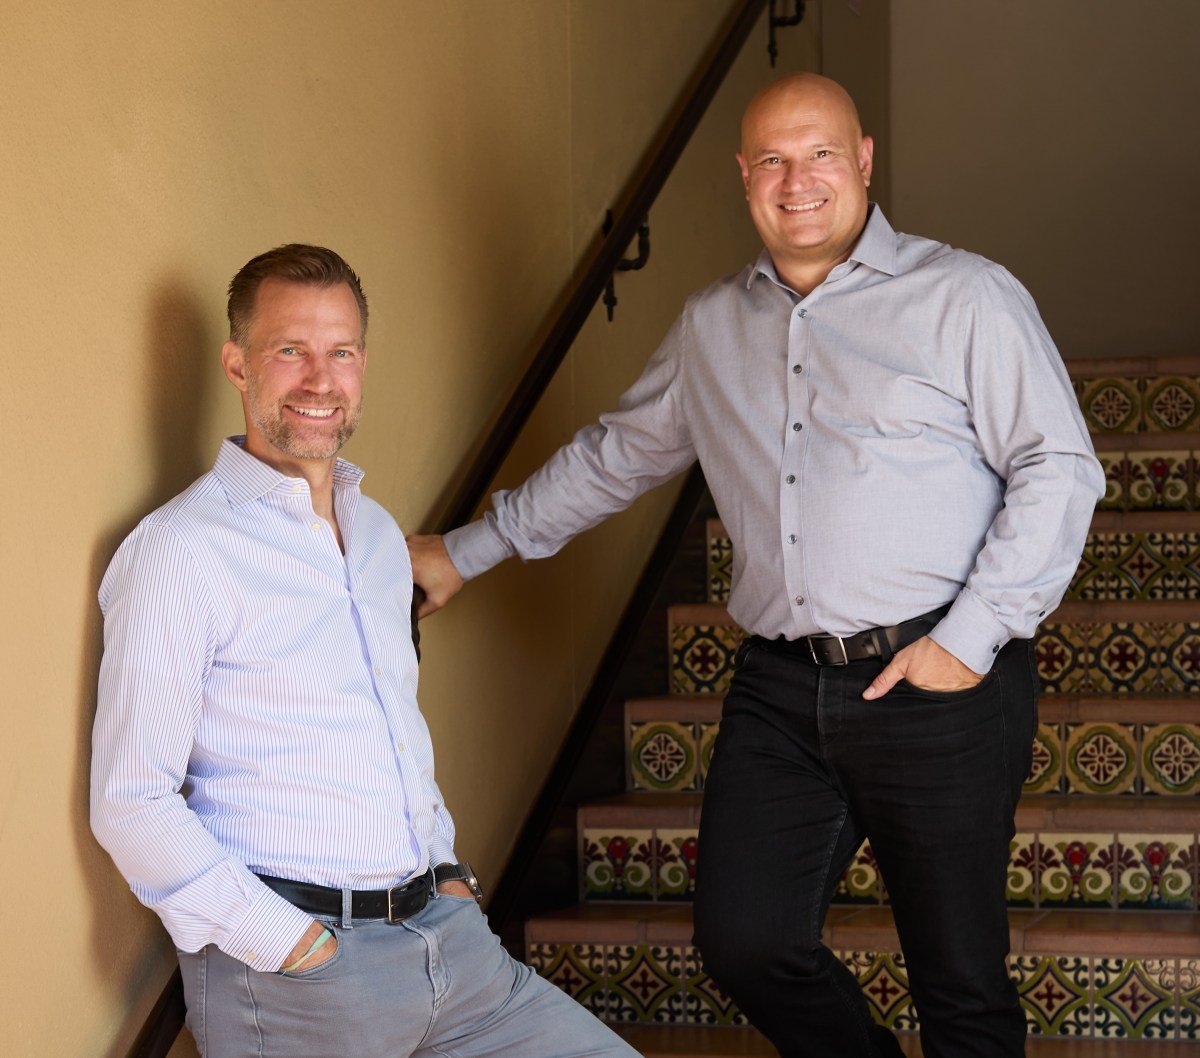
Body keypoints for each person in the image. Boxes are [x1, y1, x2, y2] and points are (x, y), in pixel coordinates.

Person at [407, 75, 1105, 1057]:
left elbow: (1059, 467)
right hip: (782, 688)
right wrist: (464, 549)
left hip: (938, 679)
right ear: (743, 176)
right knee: (745, 941)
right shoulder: (711, 324)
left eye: (820, 153)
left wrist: (971, 638)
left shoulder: (966, 296)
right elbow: (616, 457)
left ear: (864, 160)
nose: (796, 179)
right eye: (772, 159)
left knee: (960, 982)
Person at [91, 245, 639, 1058]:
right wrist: (290, 944)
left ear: (363, 364)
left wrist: (447, 872)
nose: (321, 379)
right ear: (237, 364)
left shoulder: (378, 535)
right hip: (302, 976)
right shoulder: (181, 549)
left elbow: (391, 727)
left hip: (451, 947)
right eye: (291, 350)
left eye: (340, 352)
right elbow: (132, 800)